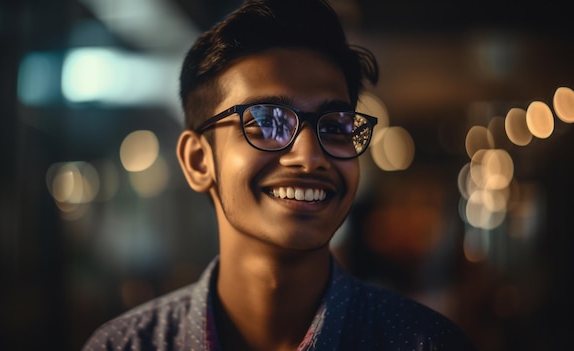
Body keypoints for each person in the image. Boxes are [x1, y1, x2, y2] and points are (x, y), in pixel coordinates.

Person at [81, 0, 476, 350]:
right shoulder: (125, 344)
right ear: (199, 161)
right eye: (267, 121)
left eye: (335, 126)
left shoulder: (425, 343)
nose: (309, 157)